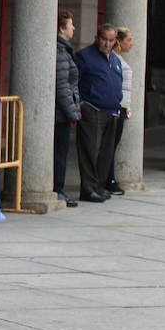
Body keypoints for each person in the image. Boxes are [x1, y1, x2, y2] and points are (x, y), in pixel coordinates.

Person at [73, 24, 124, 202]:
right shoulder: (85, 57)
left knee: (106, 152)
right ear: (97, 38)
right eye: (104, 39)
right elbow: (74, 81)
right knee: (90, 151)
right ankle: (88, 189)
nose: (107, 43)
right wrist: (81, 104)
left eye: (111, 40)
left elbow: (118, 81)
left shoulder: (115, 60)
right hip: (92, 109)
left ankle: (99, 186)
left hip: (112, 110)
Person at [103, 26, 136, 195]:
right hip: (115, 107)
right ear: (119, 42)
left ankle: (109, 178)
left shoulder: (119, 59)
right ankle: (108, 179)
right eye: (128, 40)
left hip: (121, 107)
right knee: (109, 146)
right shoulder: (113, 59)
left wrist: (128, 108)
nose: (131, 43)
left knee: (112, 145)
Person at [54, 11, 81, 207]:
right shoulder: (60, 51)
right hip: (59, 113)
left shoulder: (64, 50)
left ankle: (59, 188)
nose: (74, 28)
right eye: (71, 25)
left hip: (62, 112)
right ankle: (57, 189)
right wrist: (73, 112)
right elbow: (62, 85)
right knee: (59, 153)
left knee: (62, 152)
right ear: (62, 28)